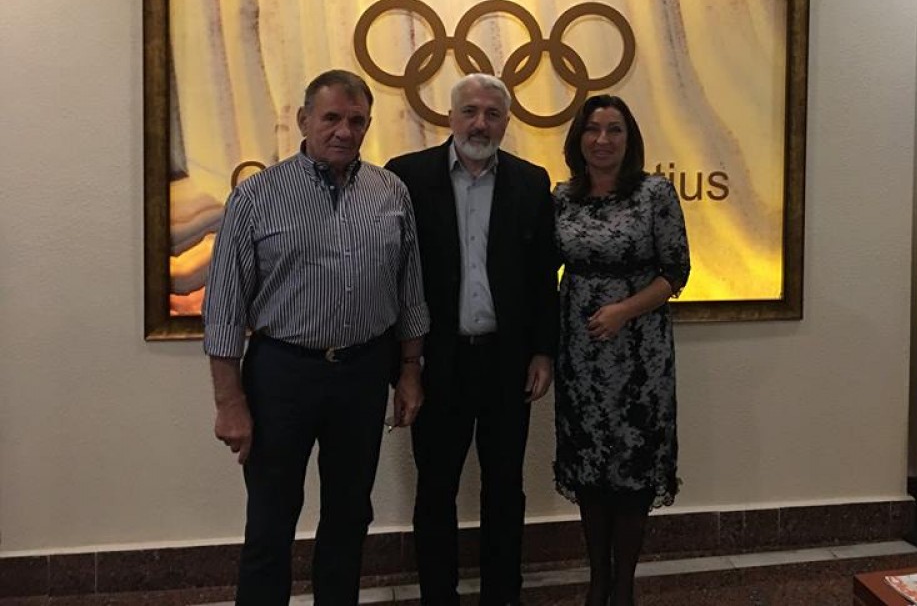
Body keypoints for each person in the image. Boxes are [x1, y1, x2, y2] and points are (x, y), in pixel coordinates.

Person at [203, 69, 430, 606]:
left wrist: (410, 371)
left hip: (363, 372)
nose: (344, 131)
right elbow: (224, 309)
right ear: (304, 120)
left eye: (356, 120)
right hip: (282, 374)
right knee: (270, 519)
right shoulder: (257, 196)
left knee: (350, 516)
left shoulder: (390, 192)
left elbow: (410, 291)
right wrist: (229, 402)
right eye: (331, 118)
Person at [385, 72, 559, 606]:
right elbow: (393, 276)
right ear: (450, 117)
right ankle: (439, 597)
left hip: (507, 362)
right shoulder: (406, 177)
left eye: (492, 114)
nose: (480, 123)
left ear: (506, 122)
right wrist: (404, 366)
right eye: (470, 111)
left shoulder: (531, 182)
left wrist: (543, 350)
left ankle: (502, 596)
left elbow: (543, 276)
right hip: (437, 363)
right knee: (435, 489)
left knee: (505, 487)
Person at [552, 94, 690, 606]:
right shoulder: (562, 197)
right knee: (590, 468)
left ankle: (624, 587)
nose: (603, 139)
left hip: (639, 355)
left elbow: (676, 273)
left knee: (633, 469)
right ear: (578, 138)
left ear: (630, 140)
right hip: (579, 355)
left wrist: (623, 311)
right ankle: (597, 584)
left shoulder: (655, 193)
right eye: (593, 129)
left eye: (614, 129)